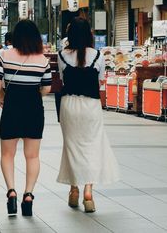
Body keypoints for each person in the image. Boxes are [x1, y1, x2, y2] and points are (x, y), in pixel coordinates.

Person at [57, 17, 119, 213]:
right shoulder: (98, 55)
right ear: (88, 34)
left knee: (71, 147)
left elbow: (62, 78)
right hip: (91, 106)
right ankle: (88, 193)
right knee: (92, 147)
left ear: (70, 35)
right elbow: (100, 82)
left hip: (69, 105)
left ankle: (73, 190)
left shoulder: (62, 55)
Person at [0, 20, 52, 217]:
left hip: (11, 108)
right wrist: (36, 96)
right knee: (32, 156)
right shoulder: (43, 60)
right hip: (34, 109)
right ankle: (28, 195)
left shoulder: (4, 55)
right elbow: (47, 88)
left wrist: (2, 97)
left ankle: (11, 191)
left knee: (8, 154)